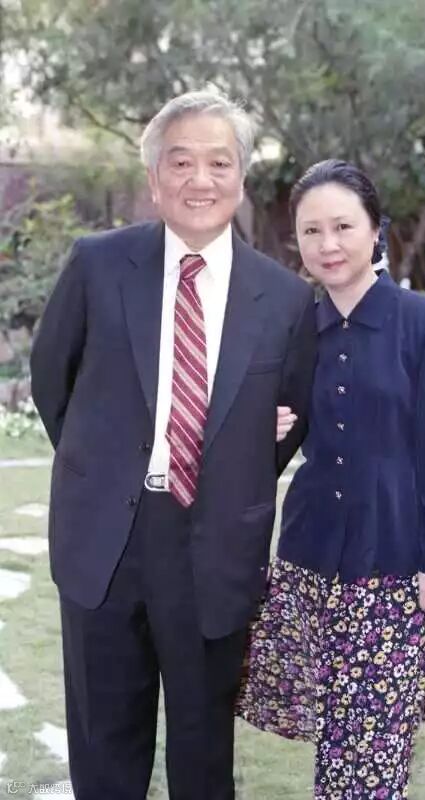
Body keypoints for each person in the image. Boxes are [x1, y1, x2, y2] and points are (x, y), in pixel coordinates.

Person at [30, 89, 317, 800]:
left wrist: (224, 470)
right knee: (104, 751)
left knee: (202, 755)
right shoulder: (98, 265)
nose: (200, 179)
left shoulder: (285, 299)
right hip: (106, 542)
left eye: (219, 162)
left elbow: (290, 419)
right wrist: (106, 469)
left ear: (240, 179)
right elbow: (51, 380)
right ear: (154, 178)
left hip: (214, 548)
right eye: (181, 162)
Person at [237, 159, 425, 799]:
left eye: (343, 226)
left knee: (372, 747)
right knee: (336, 736)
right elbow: (277, 442)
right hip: (309, 561)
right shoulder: (296, 330)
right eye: (311, 231)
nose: (328, 244)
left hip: (394, 564)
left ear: (375, 230)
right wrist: (262, 427)